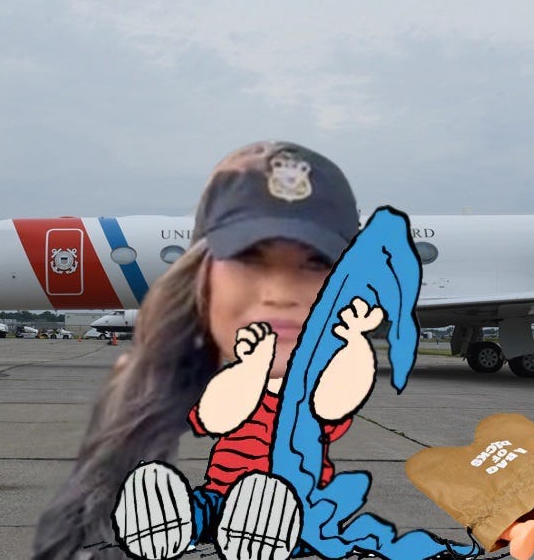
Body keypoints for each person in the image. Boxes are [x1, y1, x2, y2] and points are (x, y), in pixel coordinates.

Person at [32, 141, 468, 560]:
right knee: (202, 505)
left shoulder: (310, 389)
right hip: (219, 493)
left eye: (315, 262)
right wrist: (253, 367)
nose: (279, 292)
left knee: (273, 503)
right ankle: (174, 522)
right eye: (249, 258)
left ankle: (261, 525)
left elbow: (337, 398)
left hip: (289, 499)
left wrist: (352, 339)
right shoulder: (216, 377)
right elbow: (218, 415)